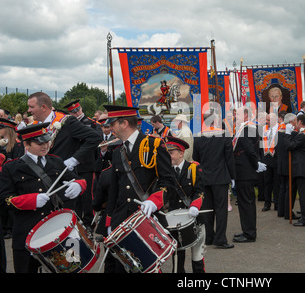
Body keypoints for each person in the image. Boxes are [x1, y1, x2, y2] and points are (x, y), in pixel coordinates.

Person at [0, 122, 86, 273]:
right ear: (26, 144)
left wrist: (79, 185)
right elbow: (4, 199)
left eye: (47, 141)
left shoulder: (56, 161)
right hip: (27, 231)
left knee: (71, 268)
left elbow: (76, 178)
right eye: (39, 143)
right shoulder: (11, 167)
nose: (45, 145)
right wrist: (31, 200)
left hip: (58, 230)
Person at [103, 105, 175, 272]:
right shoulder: (117, 151)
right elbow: (114, 189)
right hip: (120, 218)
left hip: (144, 217)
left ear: (124, 123)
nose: (110, 129)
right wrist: (109, 220)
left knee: (146, 266)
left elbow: (168, 182)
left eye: (112, 124)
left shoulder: (154, 145)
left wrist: (154, 201)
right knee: (116, 267)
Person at [193, 111, 236, 249]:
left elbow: (196, 159)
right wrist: (233, 176)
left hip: (205, 177)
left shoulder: (198, 136)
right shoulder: (224, 134)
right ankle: (220, 239)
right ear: (215, 120)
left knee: (207, 209)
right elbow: (229, 158)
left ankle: (209, 237)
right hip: (220, 177)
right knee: (221, 209)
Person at [166, 136, 206, 273]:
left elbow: (200, 192)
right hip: (174, 220)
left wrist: (195, 206)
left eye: (171, 153)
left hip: (194, 217)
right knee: (177, 257)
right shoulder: (165, 171)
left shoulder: (193, 168)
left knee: (197, 255)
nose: (168, 156)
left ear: (181, 153)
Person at [63, 99, 103, 228]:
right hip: (71, 164)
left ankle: (89, 222)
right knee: (74, 196)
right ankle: (77, 220)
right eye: (72, 112)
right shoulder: (67, 123)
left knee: (87, 196)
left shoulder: (92, 123)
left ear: (80, 109)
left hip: (86, 163)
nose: (76, 113)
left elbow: (96, 138)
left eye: (77, 110)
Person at [232, 106, 264, 243]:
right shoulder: (247, 128)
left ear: (246, 115)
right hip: (245, 170)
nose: (235, 117)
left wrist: (256, 164)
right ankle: (247, 231)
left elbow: (250, 150)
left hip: (244, 171)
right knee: (245, 203)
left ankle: (249, 233)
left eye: (238, 114)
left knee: (246, 203)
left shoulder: (247, 129)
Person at [285, 114, 305, 226]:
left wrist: (288, 133)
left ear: (300, 122)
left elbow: (289, 145)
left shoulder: (302, 135)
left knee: (304, 196)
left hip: (302, 169)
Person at [0, 118, 25, 241]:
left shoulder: (17, 143)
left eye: (1, 128)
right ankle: (5, 227)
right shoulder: (3, 142)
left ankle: (10, 228)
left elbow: (17, 161)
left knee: (10, 203)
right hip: (3, 176)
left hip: (12, 177)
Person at [261, 112, 280, 212]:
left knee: (277, 183)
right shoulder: (264, 129)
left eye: (268, 120)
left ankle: (277, 203)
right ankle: (267, 203)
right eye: (266, 120)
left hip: (277, 159)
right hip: (266, 159)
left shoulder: (280, 128)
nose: (266, 122)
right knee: (267, 183)